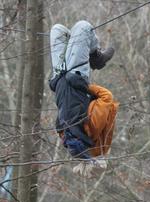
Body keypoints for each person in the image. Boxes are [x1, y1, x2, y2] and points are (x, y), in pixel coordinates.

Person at [49, 21, 117, 177]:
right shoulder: (94, 134)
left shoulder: (74, 142)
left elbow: (60, 121)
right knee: (83, 27)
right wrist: (85, 87)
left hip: (60, 80)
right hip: (75, 76)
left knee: (57, 30)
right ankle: (97, 58)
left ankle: (86, 50)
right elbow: (106, 98)